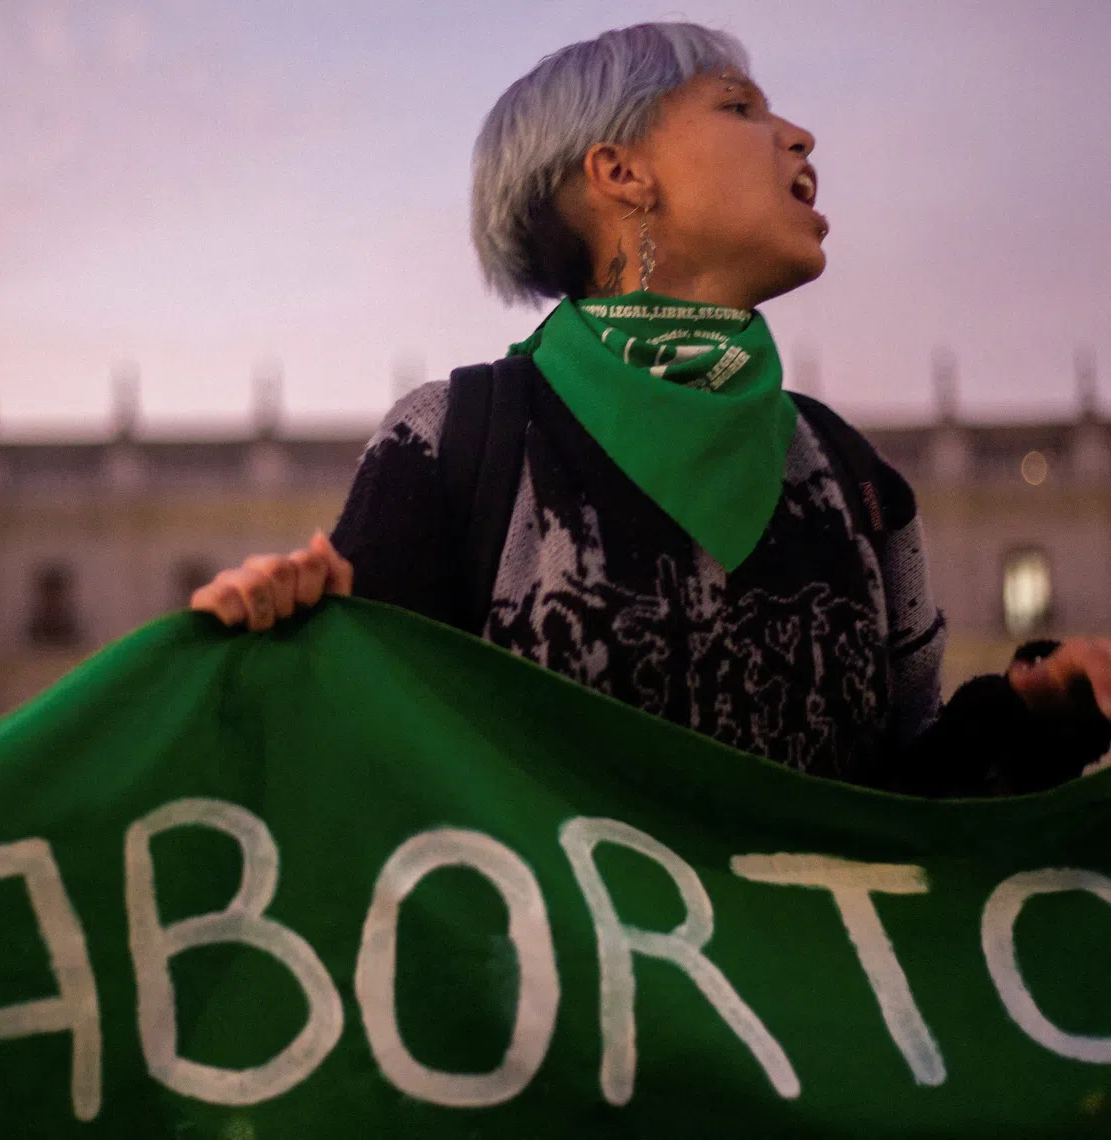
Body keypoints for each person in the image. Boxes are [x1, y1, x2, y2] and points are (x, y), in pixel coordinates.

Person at [192, 21, 1111, 795]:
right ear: (621, 172)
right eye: (739, 107)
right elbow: (355, 771)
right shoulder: (457, 444)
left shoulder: (857, 481)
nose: (799, 136)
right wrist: (264, 650)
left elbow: (905, 809)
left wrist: (1033, 718)